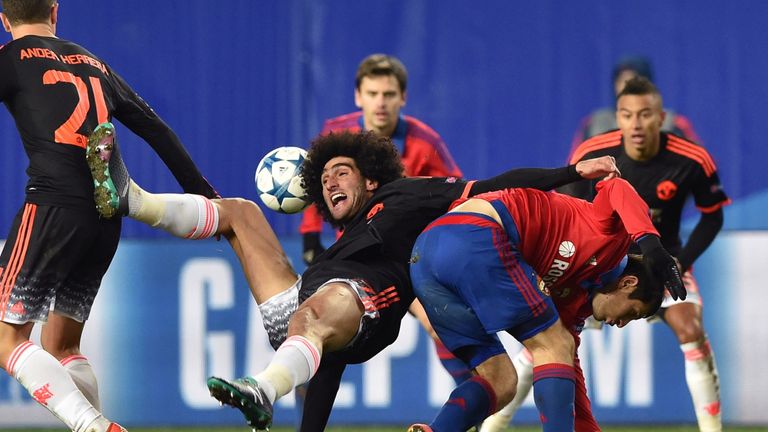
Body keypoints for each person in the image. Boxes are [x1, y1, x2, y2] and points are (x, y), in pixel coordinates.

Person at [87, 127, 623, 431]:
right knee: (243, 215)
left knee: (320, 315)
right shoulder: (340, 240)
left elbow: (497, 184)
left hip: (370, 302)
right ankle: (132, 197)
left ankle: (263, 387)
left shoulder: (406, 195)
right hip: (307, 302)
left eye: (340, 171)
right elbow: (326, 366)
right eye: (323, 179)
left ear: (370, 177)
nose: (329, 180)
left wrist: (569, 174)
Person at [0, 2, 217, 432]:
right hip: (105, 213)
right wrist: (204, 195)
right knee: (61, 344)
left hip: (50, 208)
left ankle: (94, 427)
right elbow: (156, 128)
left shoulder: (9, 59)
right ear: (55, 11)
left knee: (7, 340)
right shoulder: (92, 62)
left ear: (4, 20)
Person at [405, 175, 683, 432]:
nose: (620, 324)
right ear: (627, 283)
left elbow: (569, 384)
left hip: (425, 256)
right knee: (555, 345)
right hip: (473, 232)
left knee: (500, 381)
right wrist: (651, 244)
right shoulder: (612, 239)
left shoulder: (575, 305)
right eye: (632, 313)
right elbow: (616, 187)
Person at [557, 76, 728, 431]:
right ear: (616, 117)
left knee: (691, 329)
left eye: (645, 114)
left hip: (664, 261)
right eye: (627, 114)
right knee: (547, 338)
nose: (636, 124)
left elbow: (713, 216)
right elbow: (568, 212)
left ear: (661, 117)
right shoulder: (592, 153)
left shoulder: (693, 159)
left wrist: (683, 260)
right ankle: (494, 426)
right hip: (601, 264)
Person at [298, 53, 471, 401]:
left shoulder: (426, 143)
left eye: (389, 94)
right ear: (358, 96)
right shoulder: (337, 136)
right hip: (354, 259)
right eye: (373, 93)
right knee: (325, 337)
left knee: (439, 323)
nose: (381, 103)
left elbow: (456, 197)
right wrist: (311, 242)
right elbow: (319, 188)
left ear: (403, 98)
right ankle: (479, 400)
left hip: (412, 257)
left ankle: (477, 400)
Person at [569, 55, 702, 153]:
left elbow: (702, 169)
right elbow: (573, 170)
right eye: (621, 80)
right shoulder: (594, 124)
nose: (626, 86)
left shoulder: (672, 123)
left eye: (633, 80)